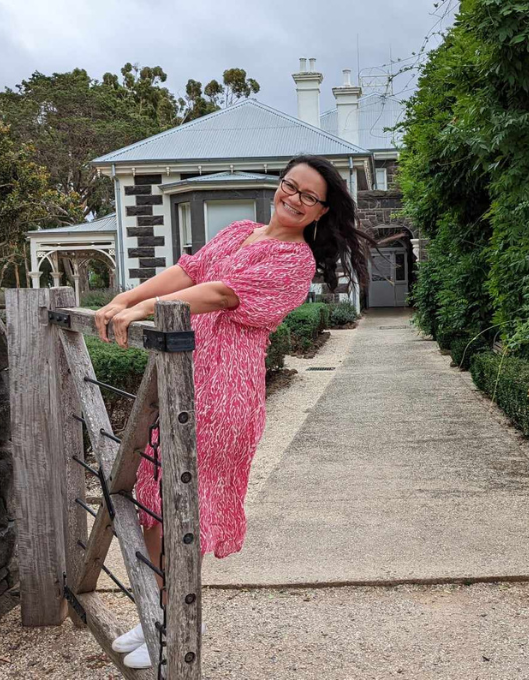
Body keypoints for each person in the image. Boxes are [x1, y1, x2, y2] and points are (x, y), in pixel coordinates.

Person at [93, 155, 372, 669]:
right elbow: (188, 270)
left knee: (186, 506)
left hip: (224, 395)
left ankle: (169, 619)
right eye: (291, 185)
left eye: (309, 196)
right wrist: (123, 298)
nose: (295, 198)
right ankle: (155, 607)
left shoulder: (294, 261)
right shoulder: (240, 230)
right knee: (155, 493)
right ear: (280, 185)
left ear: (320, 212)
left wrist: (143, 310)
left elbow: (222, 293)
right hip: (179, 380)